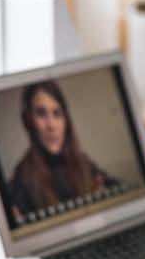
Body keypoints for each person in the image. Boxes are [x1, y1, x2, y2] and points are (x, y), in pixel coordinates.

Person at [7, 80, 116, 223]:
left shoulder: (82, 161)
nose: (51, 125)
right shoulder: (21, 180)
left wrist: (104, 199)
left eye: (57, 113)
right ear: (28, 121)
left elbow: (119, 189)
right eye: (41, 113)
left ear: (66, 120)